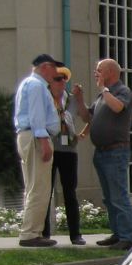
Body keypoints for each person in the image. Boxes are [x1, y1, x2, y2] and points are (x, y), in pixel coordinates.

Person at [74, 58, 132, 250]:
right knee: (108, 198)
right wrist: (79, 99)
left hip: (116, 151)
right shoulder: (103, 96)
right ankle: (117, 234)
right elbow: (88, 117)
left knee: (118, 196)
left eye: (99, 70)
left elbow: (118, 107)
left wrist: (103, 89)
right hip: (101, 152)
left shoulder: (122, 91)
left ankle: (127, 237)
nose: (96, 73)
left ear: (111, 72)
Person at [13, 53, 62, 247]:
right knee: (39, 187)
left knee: (34, 186)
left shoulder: (31, 84)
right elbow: (37, 115)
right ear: (45, 67)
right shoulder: (36, 85)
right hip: (35, 137)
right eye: (54, 68)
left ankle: (32, 231)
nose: (56, 72)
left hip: (30, 136)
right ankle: (30, 234)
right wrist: (43, 140)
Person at [42, 65, 85, 245]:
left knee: (70, 192)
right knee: (46, 192)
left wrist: (80, 100)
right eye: (57, 79)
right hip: (51, 148)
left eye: (63, 79)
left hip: (68, 151)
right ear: (50, 82)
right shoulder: (45, 99)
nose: (61, 82)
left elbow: (87, 117)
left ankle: (75, 234)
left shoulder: (71, 100)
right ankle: (44, 233)